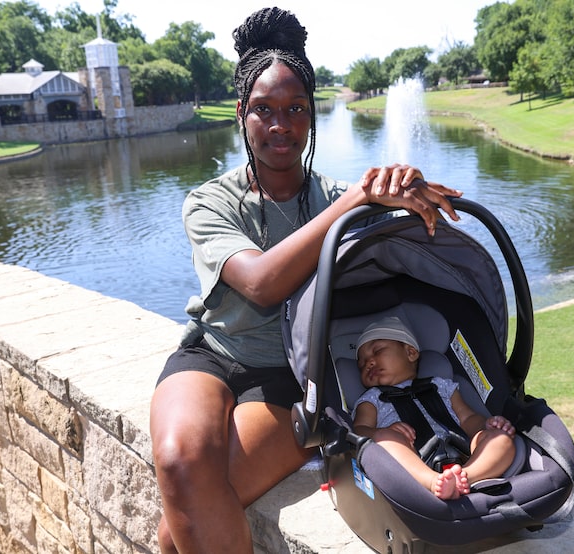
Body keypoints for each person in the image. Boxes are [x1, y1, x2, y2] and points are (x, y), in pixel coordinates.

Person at [149, 7, 463, 553]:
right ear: (241, 115)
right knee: (179, 461)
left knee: (180, 522)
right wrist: (356, 201)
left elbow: (403, 245)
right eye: (264, 110)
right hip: (214, 353)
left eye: (295, 108)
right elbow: (262, 284)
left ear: (311, 117)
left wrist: (409, 191)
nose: (280, 124)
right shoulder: (209, 201)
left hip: (294, 376)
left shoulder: (337, 194)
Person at [352, 317, 516, 500]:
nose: (369, 363)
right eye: (361, 363)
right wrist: (380, 432)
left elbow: (467, 418)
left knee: (501, 439)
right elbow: (359, 431)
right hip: (411, 458)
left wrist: (487, 425)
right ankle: (432, 481)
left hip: (463, 452)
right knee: (383, 440)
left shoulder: (441, 386)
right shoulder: (371, 399)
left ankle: (465, 477)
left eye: (378, 350)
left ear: (411, 353)